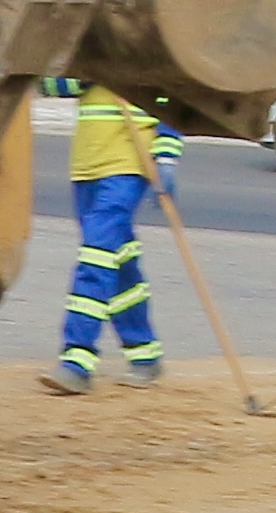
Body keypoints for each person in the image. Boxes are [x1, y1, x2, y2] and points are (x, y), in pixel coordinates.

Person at [42, 81, 181, 392]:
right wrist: (84, 74)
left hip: (128, 166)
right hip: (86, 168)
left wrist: (167, 157)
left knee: (96, 257)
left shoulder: (147, 48)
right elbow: (49, 85)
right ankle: (144, 353)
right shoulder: (91, 43)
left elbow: (175, 100)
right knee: (118, 261)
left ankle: (77, 360)